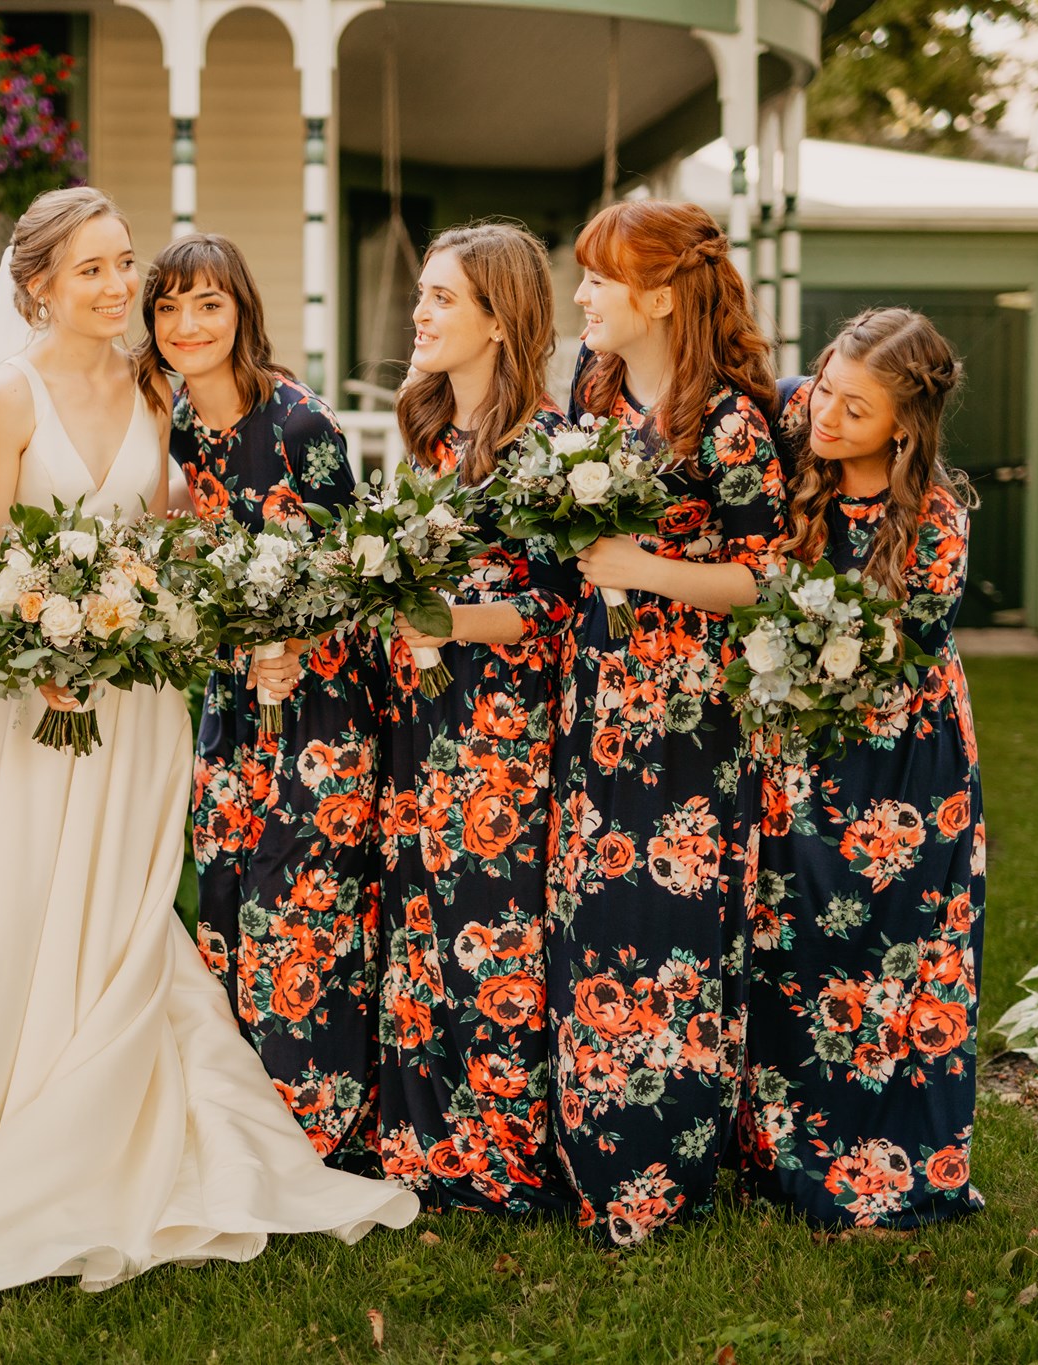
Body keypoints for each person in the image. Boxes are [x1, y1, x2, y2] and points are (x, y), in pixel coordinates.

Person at [0, 187, 417, 1296]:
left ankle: (132, 1121)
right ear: (37, 288)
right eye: (93, 271)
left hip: (137, 698)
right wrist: (51, 635)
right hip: (20, 701)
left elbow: (189, 536)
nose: (120, 287)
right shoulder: (10, 401)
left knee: (119, 908)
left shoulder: (154, 389)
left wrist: (158, 620)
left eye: (124, 264)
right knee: (19, 900)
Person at [547, 199, 786, 1244]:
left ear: (657, 294)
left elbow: (769, 573)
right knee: (592, 914)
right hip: (594, 690)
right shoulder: (592, 390)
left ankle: (663, 1170)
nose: (582, 297)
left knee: (671, 928)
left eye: (599, 279)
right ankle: (590, 1150)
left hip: (689, 711)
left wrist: (647, 570)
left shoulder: (730, 418)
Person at [736, 308, 986, 1228]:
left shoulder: (936, 518)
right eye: (826, 388)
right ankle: (778, 1142)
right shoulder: (796, 443)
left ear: (904, 427)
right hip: (793, 757)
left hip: (900, 766)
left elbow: (898, 655)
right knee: (792, 940)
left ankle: (893, 1156)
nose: (825, 416)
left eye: (855, 407)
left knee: (892, 949)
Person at [138, 233, 382, 1172]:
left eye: (207, 304)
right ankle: (235, 1118)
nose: (186, 325)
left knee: (302, 909)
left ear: (242, 310)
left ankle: (312, 1132)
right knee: (231, 902)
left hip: (317, 706)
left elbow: (357, 570)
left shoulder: (299, 424)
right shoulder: (169, 428)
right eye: (167, 308)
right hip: (229, 702)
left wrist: (293, 644)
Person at [376, 222, 582, 1214]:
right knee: (418, 920)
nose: (420, 314)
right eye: (419, 294)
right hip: (417, 718)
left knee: (492, 934)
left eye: (442, 299)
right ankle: (427, 1149)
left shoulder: (542, 447)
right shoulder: (425, 441)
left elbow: (555, 606)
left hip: (501, 730)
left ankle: (505, 1158)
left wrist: (440, 617)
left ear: (499, 321)